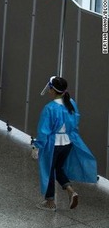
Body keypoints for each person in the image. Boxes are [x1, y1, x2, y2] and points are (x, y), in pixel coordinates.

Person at [32, 76, 97, 211]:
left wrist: (36, 146)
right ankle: (70, 191)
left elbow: (44, 130)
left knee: (48, 171)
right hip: (68, 143)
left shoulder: (49, 108)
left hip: (53, 145)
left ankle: (50, 202)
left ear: (52, 90)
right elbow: (75, 122)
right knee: (58, 168)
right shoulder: (71, 103)